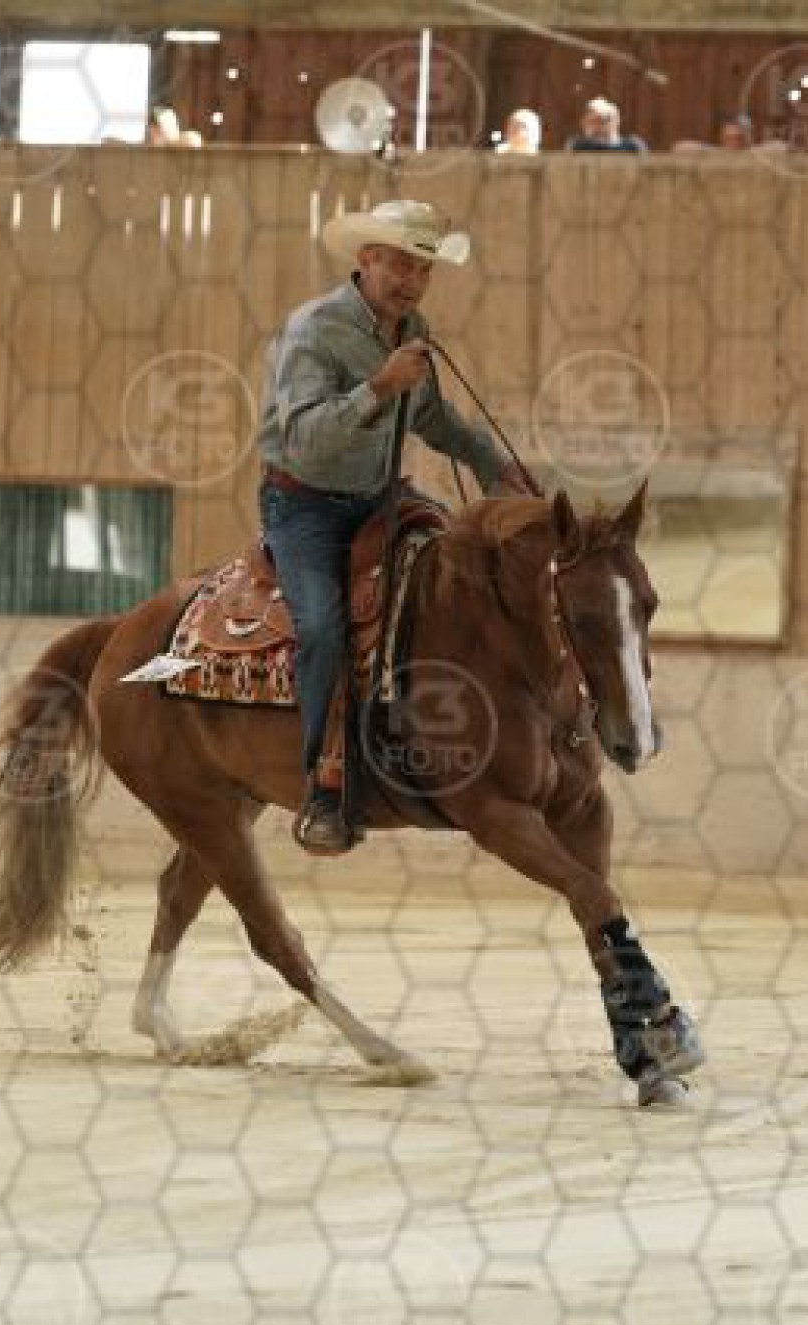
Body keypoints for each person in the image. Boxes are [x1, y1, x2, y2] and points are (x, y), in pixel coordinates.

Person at [256, 200, 534, 853]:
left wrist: (496, 466)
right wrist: (379, 388)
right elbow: (303, 440)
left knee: (459, 575)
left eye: (423, 270)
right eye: (401, 265)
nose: (411, 281)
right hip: (304, 507)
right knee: (322, 628)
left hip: (380, 499)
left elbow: (431, 416)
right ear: (367, 259)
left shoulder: (413, 328)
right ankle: (323, 786)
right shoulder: (314, 329)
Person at [565, 97, 648, 153]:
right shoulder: (577, 146)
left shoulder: (633, 146)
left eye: (605, 120)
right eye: (594, 121)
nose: (601, 126)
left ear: (617, 120)